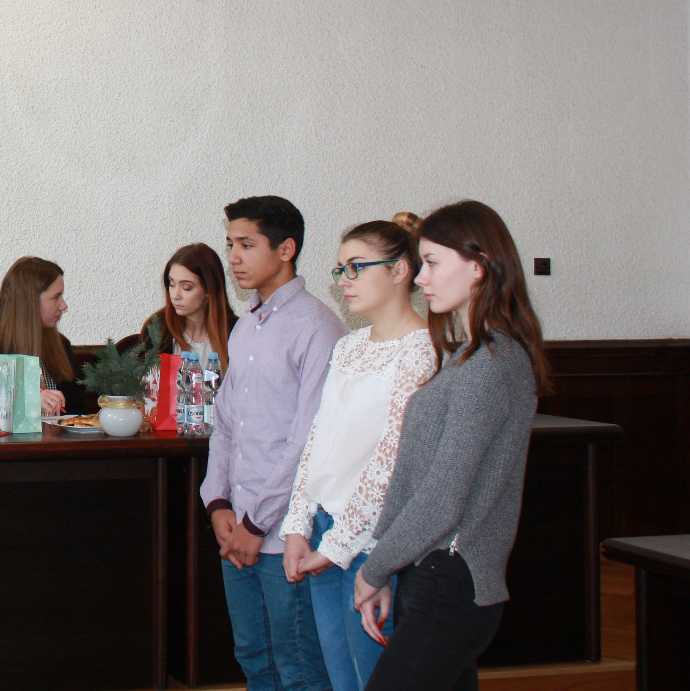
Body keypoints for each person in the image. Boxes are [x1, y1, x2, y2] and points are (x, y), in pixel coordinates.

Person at [353, 201, 547, 691]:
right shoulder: (469, 356)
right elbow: (414, 475)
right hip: (432, 575)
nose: (421, 279)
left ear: (479, 266)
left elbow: (443, 496)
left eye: (433, 263)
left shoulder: (491, 364)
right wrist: (387, 564)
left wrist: (375, 569)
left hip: (451, 580)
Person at [280, 216, 439, 691]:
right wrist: (297, 525)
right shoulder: (348, 346)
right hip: (325, 526)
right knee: (339, 677)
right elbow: (319, 438)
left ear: (400, 271)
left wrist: (339, 545)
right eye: (340, 269)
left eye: (355, 267)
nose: (343, 281)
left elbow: (392, 461)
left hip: (372, 540)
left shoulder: (421, 352)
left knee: (373, 678)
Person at [201, 195, 345, 691]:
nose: (233, 258)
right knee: (253, 657)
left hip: (284, 533)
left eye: (246, 245)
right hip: (238, 527)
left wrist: (256, 522)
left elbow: (306, 442)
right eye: (230, 245)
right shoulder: (245, 326)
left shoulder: (318, 328)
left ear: (286, 249)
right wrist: (218, 503)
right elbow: (226, 426)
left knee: (298, 666)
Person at [0, 256, 84, 417]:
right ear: (30, 301)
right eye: (55, 297)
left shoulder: (62, 345)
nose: (63, 305)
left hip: (56, 434)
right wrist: (27, 401)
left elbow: (77, 412)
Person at [139, 242, 236, 373]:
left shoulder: (236, 330)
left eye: (186, 287)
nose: (175, 295)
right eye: (171, 284)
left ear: (209, 289)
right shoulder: (158, 328)